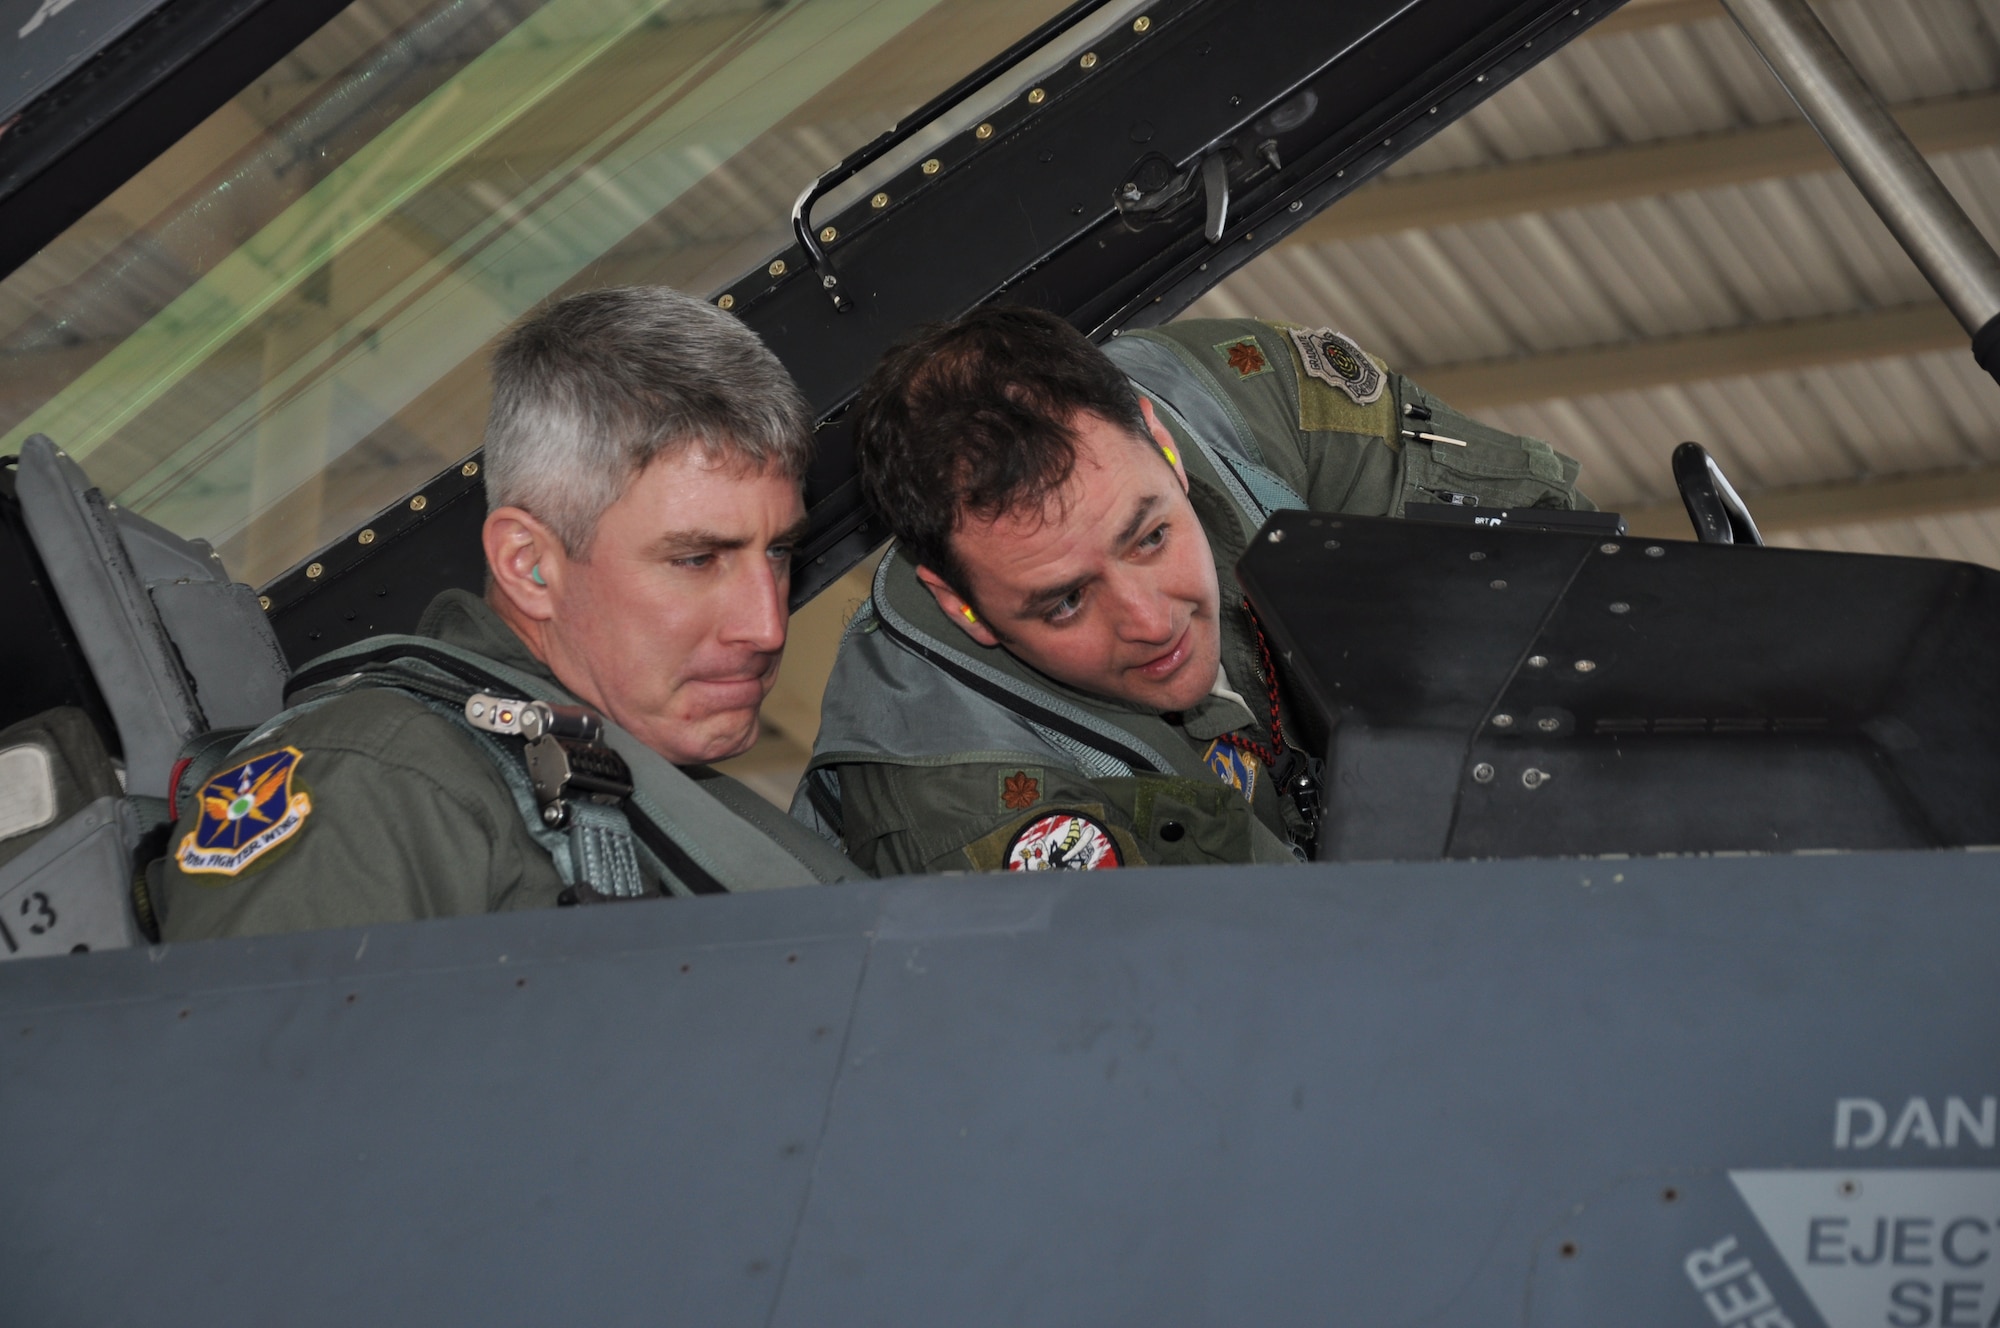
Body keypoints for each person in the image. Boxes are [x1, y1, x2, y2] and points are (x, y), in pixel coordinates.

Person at [154, 286, 860, 940]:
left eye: (778, 552)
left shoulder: (638, 781)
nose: (767, 626)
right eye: (697, 560)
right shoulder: (375, 786)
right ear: (530, 565)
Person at [791, 309, 1592, 875]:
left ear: (1162, 440)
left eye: (1149, 537)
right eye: (1065, 602)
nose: (1148, 619)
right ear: (962, 604)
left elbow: (1561, 588)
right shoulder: (970, 802)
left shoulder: (1248, 394)